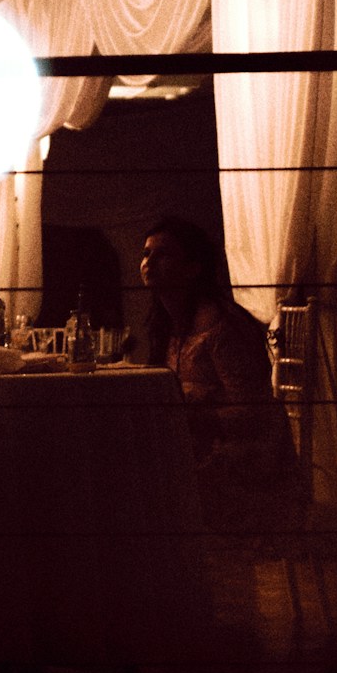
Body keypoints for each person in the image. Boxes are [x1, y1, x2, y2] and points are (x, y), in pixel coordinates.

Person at [140, 215, 290, 519]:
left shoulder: (221, 326)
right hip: (196, 442)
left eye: (163, 253)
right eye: (146, 253)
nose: (149, 262)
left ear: (193, 268)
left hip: (241, 452)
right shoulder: (168, 323)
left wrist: (186, 418)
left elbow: (252, 412)